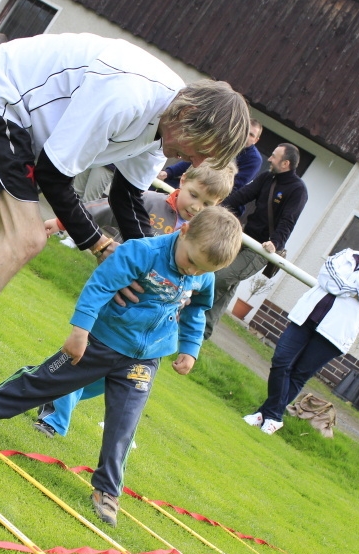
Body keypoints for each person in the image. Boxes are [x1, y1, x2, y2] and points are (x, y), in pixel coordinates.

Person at [0, 32, 251, 435]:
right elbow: (56, 179)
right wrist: (99, 244)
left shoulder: (165, 127)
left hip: (15, 119)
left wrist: (148, 267)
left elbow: (128, 196)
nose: (195, 161)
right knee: (26, 238)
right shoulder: (129, 96)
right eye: (200, 148)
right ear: (187, 115)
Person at [0, 207, 243, 525]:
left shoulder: (201, 274)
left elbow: (197, 311)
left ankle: (107, 490)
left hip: (145, 359)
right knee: (46, 381)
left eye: (201, 270)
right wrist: (80, 329)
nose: (192, 272)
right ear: (184, 231)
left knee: (124, 423)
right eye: (191, 261)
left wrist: (190, 348)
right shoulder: (141, 252)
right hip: (102, 341)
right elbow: (101, 286)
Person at [32, 161, 238, 437]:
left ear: (219, 203)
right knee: (80, 365)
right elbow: (102, 208)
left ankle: (47, 384)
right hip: (115, 311)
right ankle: (53, 419)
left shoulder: (206, 239)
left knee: (109, 379)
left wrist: (190, 344)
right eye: (194, 194)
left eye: (207, 202)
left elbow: (198, 302)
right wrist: (60, 222)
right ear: (183, 179)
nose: (196, 206)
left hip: (146, 334)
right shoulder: (149, 203)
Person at [245, 230, 359, 435]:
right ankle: (273, 416)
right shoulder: (345, 255)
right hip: (307, 318)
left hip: (333, 334)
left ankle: (263, 415)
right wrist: (352, 289)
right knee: (281, 361)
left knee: (299, 374)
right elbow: (327, 279)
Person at [203, 142, 308, 340]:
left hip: (263, 249)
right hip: (244, 238)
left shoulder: (298, 190)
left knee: (221, 278)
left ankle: (190, 316)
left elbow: (288, 221)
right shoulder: (267, 178)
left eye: (274, 156)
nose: (269, 158)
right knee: (227, 282)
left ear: (285, 163)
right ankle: (204, 331)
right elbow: (241, 197)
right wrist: (214, 209)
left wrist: (275, 244)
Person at [158, 119, 264, 195]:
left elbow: (235, 186)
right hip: (191, 182)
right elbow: (194, 159)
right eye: (244, 132)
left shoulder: (254, 160)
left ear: (256, 140)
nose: (246, 136)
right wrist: (168, 172)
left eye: (251, 135)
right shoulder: (223, 143)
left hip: (215, 195)